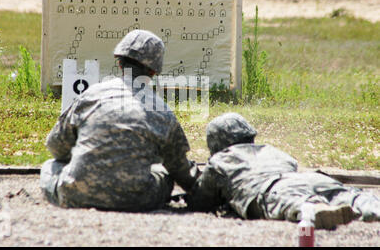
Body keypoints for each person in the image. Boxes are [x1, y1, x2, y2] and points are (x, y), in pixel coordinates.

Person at [40, 30, 200, 211]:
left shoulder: (90, 95)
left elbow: (56, 147)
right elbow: (180, 169)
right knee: (163, 172)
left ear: (119, 63)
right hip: (137, 200)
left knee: (49, 166)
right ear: (154, 71)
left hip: (77, 195)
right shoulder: (162, 111)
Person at [187, 112, 380, 229]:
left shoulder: (220, 160)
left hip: (274, 189)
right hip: (311, 180)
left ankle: (312, 209)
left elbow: (202, 200)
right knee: (353, 195)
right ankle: (372, 207)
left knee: (298, 203)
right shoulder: (272, 150)